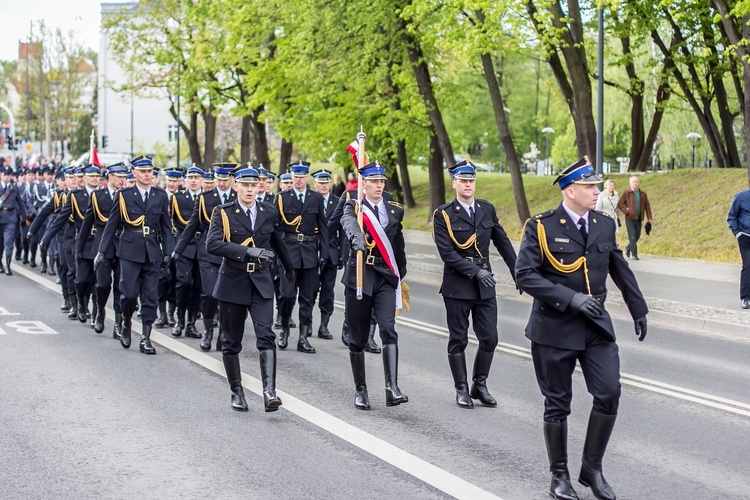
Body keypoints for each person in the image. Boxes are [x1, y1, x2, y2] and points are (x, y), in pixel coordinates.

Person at [515, 157, 649, 500]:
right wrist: (571, 299)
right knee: (557, 404)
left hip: (595, 327)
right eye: (589, 187)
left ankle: (592, 468)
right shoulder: (542, 226)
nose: (596, 191)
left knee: (608, 393)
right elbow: (525, 275)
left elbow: (618, 266)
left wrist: (638, 308)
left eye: (595, 186)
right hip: (554, 327)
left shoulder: (604, 223)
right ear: (570, 190)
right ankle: (559, 476)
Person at [206, 166, 294, 412]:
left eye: (253, 185)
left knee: (266, 335)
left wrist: (289, 267)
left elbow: (276, 240)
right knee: (231, 341)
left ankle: (269, 392)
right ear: (236, 186)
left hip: (261, 282)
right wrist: (248, 252)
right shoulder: (222, 213)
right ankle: (236, 391)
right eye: (245, 185)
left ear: (259, 187)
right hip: (233, 283)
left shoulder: (268, 211)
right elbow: (212, 244)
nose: (249, 190)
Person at [432, 161, 517, 408]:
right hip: (458, 285)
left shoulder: (486, 209)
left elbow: (503, 243)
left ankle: (479, 385)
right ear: (455, 183)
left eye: (471, 180)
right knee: (459, 339)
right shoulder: (444, 214)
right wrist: (475, 272)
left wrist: (519, 272)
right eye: (464, 180)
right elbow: (447, 254)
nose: (468, 185)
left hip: (485, 284)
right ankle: (461, 389)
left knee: (490, 338)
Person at [340, 160, 408, 410]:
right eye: (374, 182)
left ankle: (392, 388)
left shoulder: (394, 209)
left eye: (382, 181)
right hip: (360, 274)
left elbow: (397, 243)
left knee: (388, 328)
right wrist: (357, 238)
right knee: (357, 337)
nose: (379, 186)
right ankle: (361, 390)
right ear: (364, 184)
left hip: (385, 276)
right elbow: (347, 223)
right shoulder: (354, 206)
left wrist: (401, 274)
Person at [95, 155, 173, 354]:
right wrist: (102, 252)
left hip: (152, 252)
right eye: (143, 172)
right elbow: (111, 226)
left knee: (150, 297)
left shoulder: (160, 195)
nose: (147, 175)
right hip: (129, 250)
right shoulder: (124, 195)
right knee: (128, 294)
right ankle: (127, 322)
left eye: (150, 172)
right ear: (135, 174)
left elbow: (166, 228)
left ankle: (146, 337)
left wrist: (168, 253)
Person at [173, 164, 236, 351]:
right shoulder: (205, 198)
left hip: (232, 254)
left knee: (228, 297)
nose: (223, 183)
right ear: (215, 178)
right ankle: (208, 330)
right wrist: (177, 250)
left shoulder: (236, 197)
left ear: (231, 179)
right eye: (220, 179)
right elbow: (192, 226)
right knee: (209, 294)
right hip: (209, 253)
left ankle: (224, 332)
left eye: (226, 179)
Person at [274, 160, 329, 353]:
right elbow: (275, 228)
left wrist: (324, 253)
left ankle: (303, 338)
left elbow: (323, 228)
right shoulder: (281, 198)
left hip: (309, 253)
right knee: (287, 295)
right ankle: (285, 329)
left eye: (301, 177)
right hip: (288, 252)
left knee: (307, 298)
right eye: (295, 177)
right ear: (291, 177)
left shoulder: (316, 198)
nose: (298, 180)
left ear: (307, 177)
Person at [79, 162, 127, 337]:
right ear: (110, 177)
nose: (122, 180)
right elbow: (87, 223)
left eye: (124, 177)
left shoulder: (128, 196)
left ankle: (119, 323)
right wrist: (80, 247)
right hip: (103, 244)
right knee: (103, 283)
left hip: (123, 243)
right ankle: (99, 310)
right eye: (119, 177)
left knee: (121, 286)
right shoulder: (98, 196)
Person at [169, 166, 203, 340]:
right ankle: (179, 320)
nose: (194, 180)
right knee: (184, 282)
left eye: (197, 177)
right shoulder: (178, 198)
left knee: (198, 285)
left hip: (202, 246)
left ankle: (191, 323)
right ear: (186, 180)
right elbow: (171, 222)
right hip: (184, 244)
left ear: (202, 180)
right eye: (191, 177)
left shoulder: (206, 198)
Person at [311, 168, 339, 339]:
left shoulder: (336, 202)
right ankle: (306, 323)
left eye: (326, 182)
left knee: (328, 290)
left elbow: (342, 231)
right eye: (320, 182)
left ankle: (324, 325)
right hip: (312, 251)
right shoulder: (310, 200)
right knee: (310, 290)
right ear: (314, 184)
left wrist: (343, 254)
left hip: (332, 251)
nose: (323, 185)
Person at [617, 176, 653, 260]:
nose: (635, 183)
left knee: (637, 236)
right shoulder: (627, 193)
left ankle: (628, 247)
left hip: (639, 218)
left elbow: (647, 206)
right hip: (630, 218)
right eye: (633, 182)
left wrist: (649, 217)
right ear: (630, 183)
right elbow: (620, 204)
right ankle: (634, 254)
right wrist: (626, 211)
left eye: (636, 182)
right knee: (632, 236)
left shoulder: (643, 193)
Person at [0, 165, 27, 275]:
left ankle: (8, 264)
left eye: (8, 175)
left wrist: (24, 216)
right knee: (0, 243)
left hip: (11, 217)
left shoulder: (14, 187)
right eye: (4, 175)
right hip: (0, 216)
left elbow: (20, 203)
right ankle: (0, 263)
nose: (6, 177)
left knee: (8, 242)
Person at [727, 188, 750, 309]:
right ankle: (745, 298)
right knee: (748, 265)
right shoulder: (741, 197)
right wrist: (737, 233)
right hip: (746, 237)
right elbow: (731, 216)